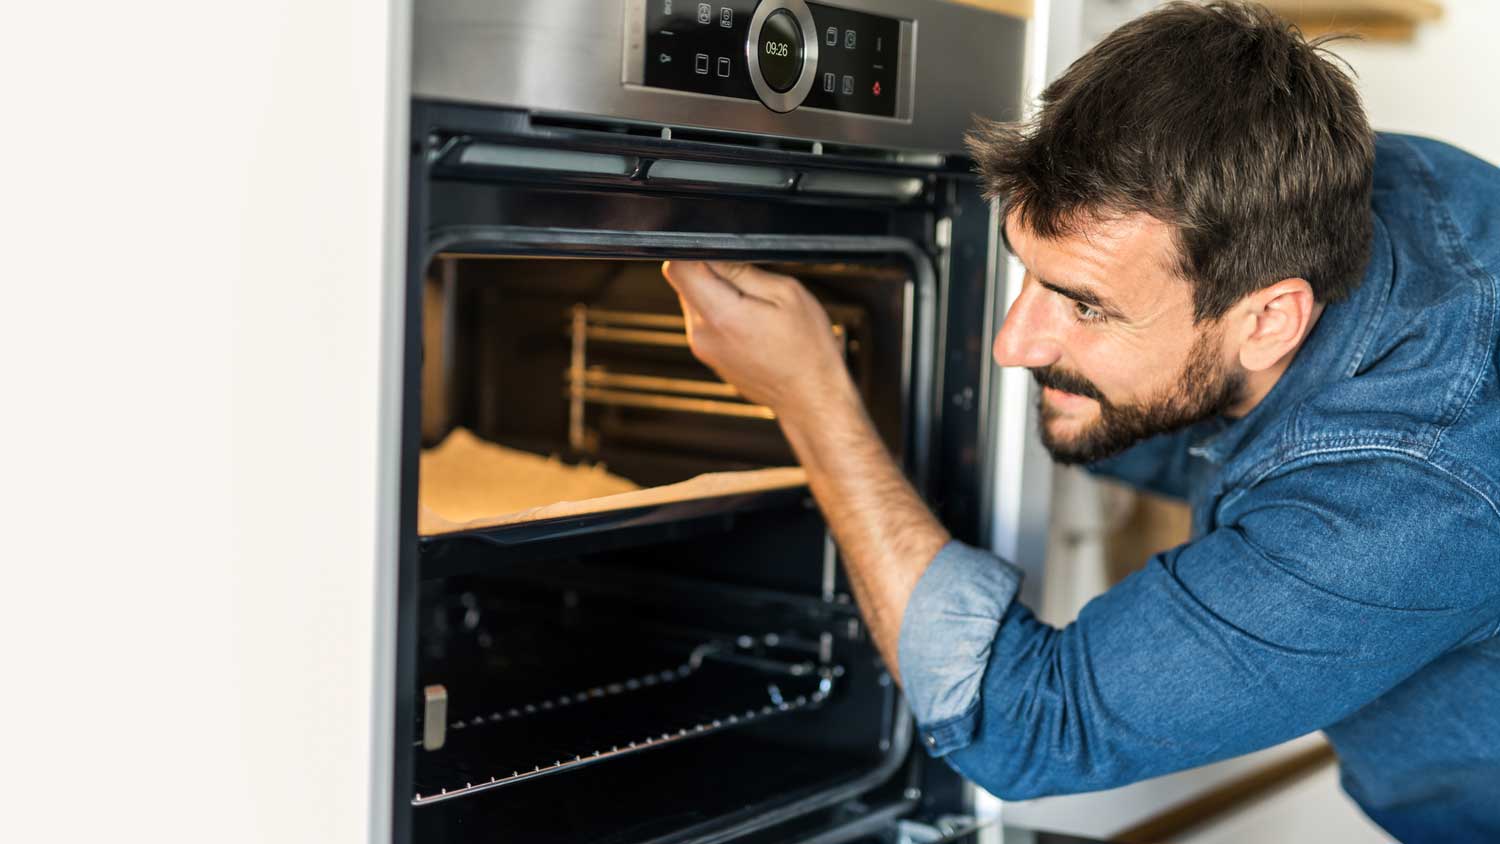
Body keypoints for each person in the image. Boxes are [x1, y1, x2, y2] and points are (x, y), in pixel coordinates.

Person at [660, 2, 1500, 841]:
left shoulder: (1406, 500)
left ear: (1269, 319)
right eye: (1028, 271)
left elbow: (1025, 724)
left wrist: (812, 398)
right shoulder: (1345, 188)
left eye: (1085, 306)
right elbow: (1199, 407)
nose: (1012, 346)